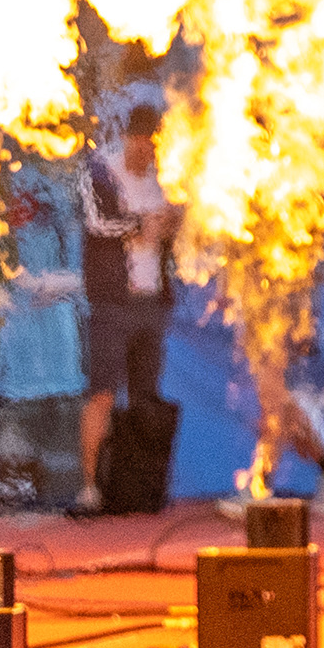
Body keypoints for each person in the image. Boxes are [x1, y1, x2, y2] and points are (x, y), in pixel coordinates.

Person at [78, 107, 192, 514]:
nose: (150, 154)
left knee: (147, 397)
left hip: (152, 301)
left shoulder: (163, 178)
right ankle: (89, 487)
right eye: (146, 144)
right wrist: (142, 224)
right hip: (113, 301)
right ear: (131, 138)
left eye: (156, 146)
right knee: (103, 392)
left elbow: (175, 229)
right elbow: (97, 223)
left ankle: (141, 486)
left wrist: (173, 223)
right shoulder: (99, 172)